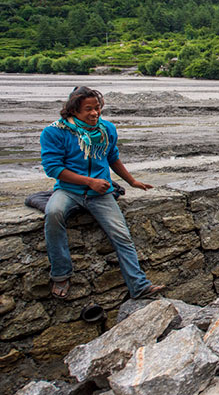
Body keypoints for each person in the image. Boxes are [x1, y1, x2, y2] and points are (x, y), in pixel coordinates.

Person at [40, 86, 165, 300]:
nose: (94, 113)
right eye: (88, 109)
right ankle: (61, 274)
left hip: (100, 194)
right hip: (69, 190)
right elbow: (54, 168)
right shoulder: (55, 132)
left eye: (97, 108)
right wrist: (89, 181)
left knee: (121, 235)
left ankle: (139, 285)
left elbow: (112, 157)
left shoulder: (106, 129)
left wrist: (132, 181)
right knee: (53, 215)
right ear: (73, 111)